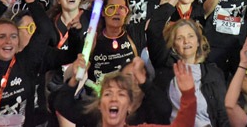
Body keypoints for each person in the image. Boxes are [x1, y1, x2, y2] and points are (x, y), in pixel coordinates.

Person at [146, 0, 229, 126]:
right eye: (179, 38)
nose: (186, 41)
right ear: (173, 44)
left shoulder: (213, 73)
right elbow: (153, 28)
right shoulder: (164, 64)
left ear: (198, 41)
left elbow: (222, 116)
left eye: (190, 36)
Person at [58, 54, 197, 127]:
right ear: (100, 104)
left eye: (121, 94)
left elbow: (168, 113)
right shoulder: (94, 114)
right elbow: (61, 104)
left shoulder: (150, 109)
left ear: (129, 106)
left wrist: (188, 93)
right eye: (108, 93)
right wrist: (74, 80)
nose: (131, 82)